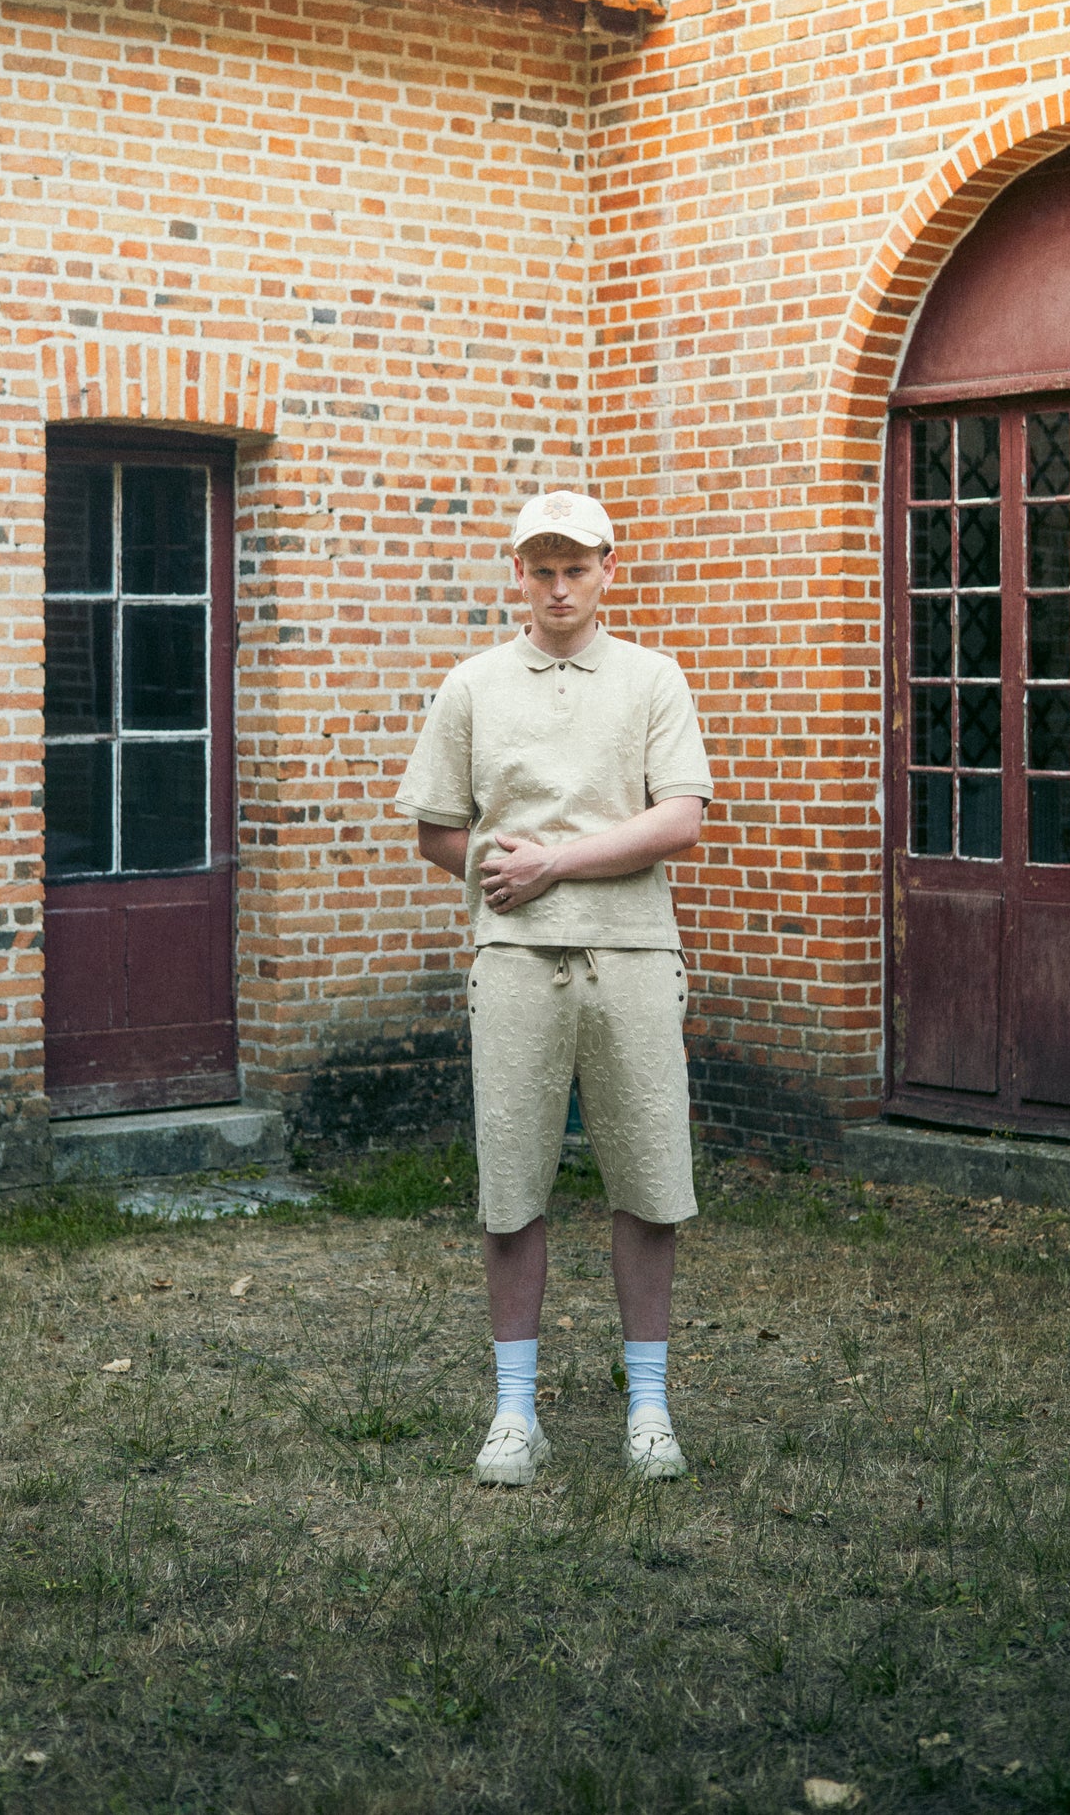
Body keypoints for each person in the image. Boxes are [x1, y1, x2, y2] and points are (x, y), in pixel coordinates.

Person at [395, 489, 713, 1486]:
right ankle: (513, 1415)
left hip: (634, 955)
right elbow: (437, 828)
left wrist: (556, 867)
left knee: (650, 1182)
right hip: (517, 960)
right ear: (519, 576)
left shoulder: (653, 679)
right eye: (542, 570)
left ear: (609, 570)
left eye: (576, 568)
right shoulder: (474, 686)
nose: (560, 588)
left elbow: (680, 819)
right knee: (511, 1186)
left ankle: (649, 1409)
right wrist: (510, 881)